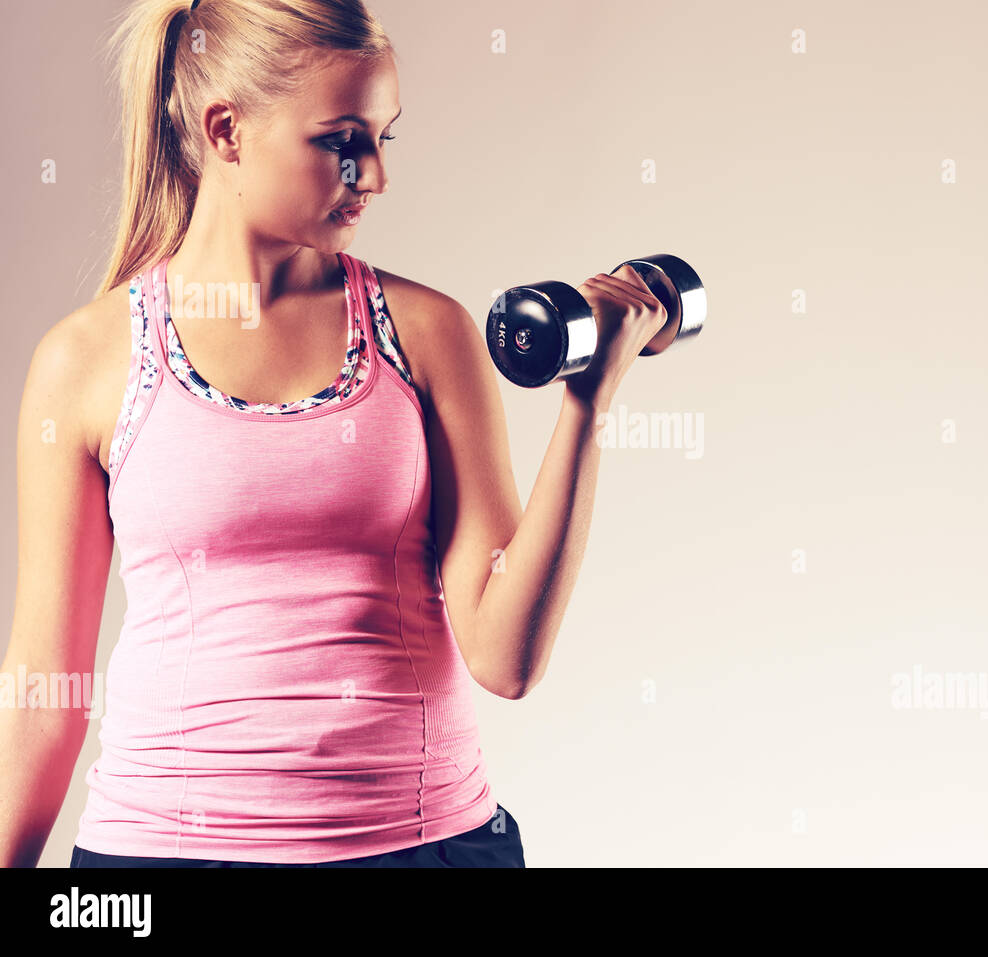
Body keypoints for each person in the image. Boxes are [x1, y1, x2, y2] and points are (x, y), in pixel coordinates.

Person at [0, 0, 667, 868]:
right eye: (342, 139)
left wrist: (588, 405)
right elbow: (46, 695)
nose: (376, 174)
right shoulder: (86, 361)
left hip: (421, 846)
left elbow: (505, 657)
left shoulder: (429, 336)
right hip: (160, 858)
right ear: (227, 130)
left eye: (386, 137)